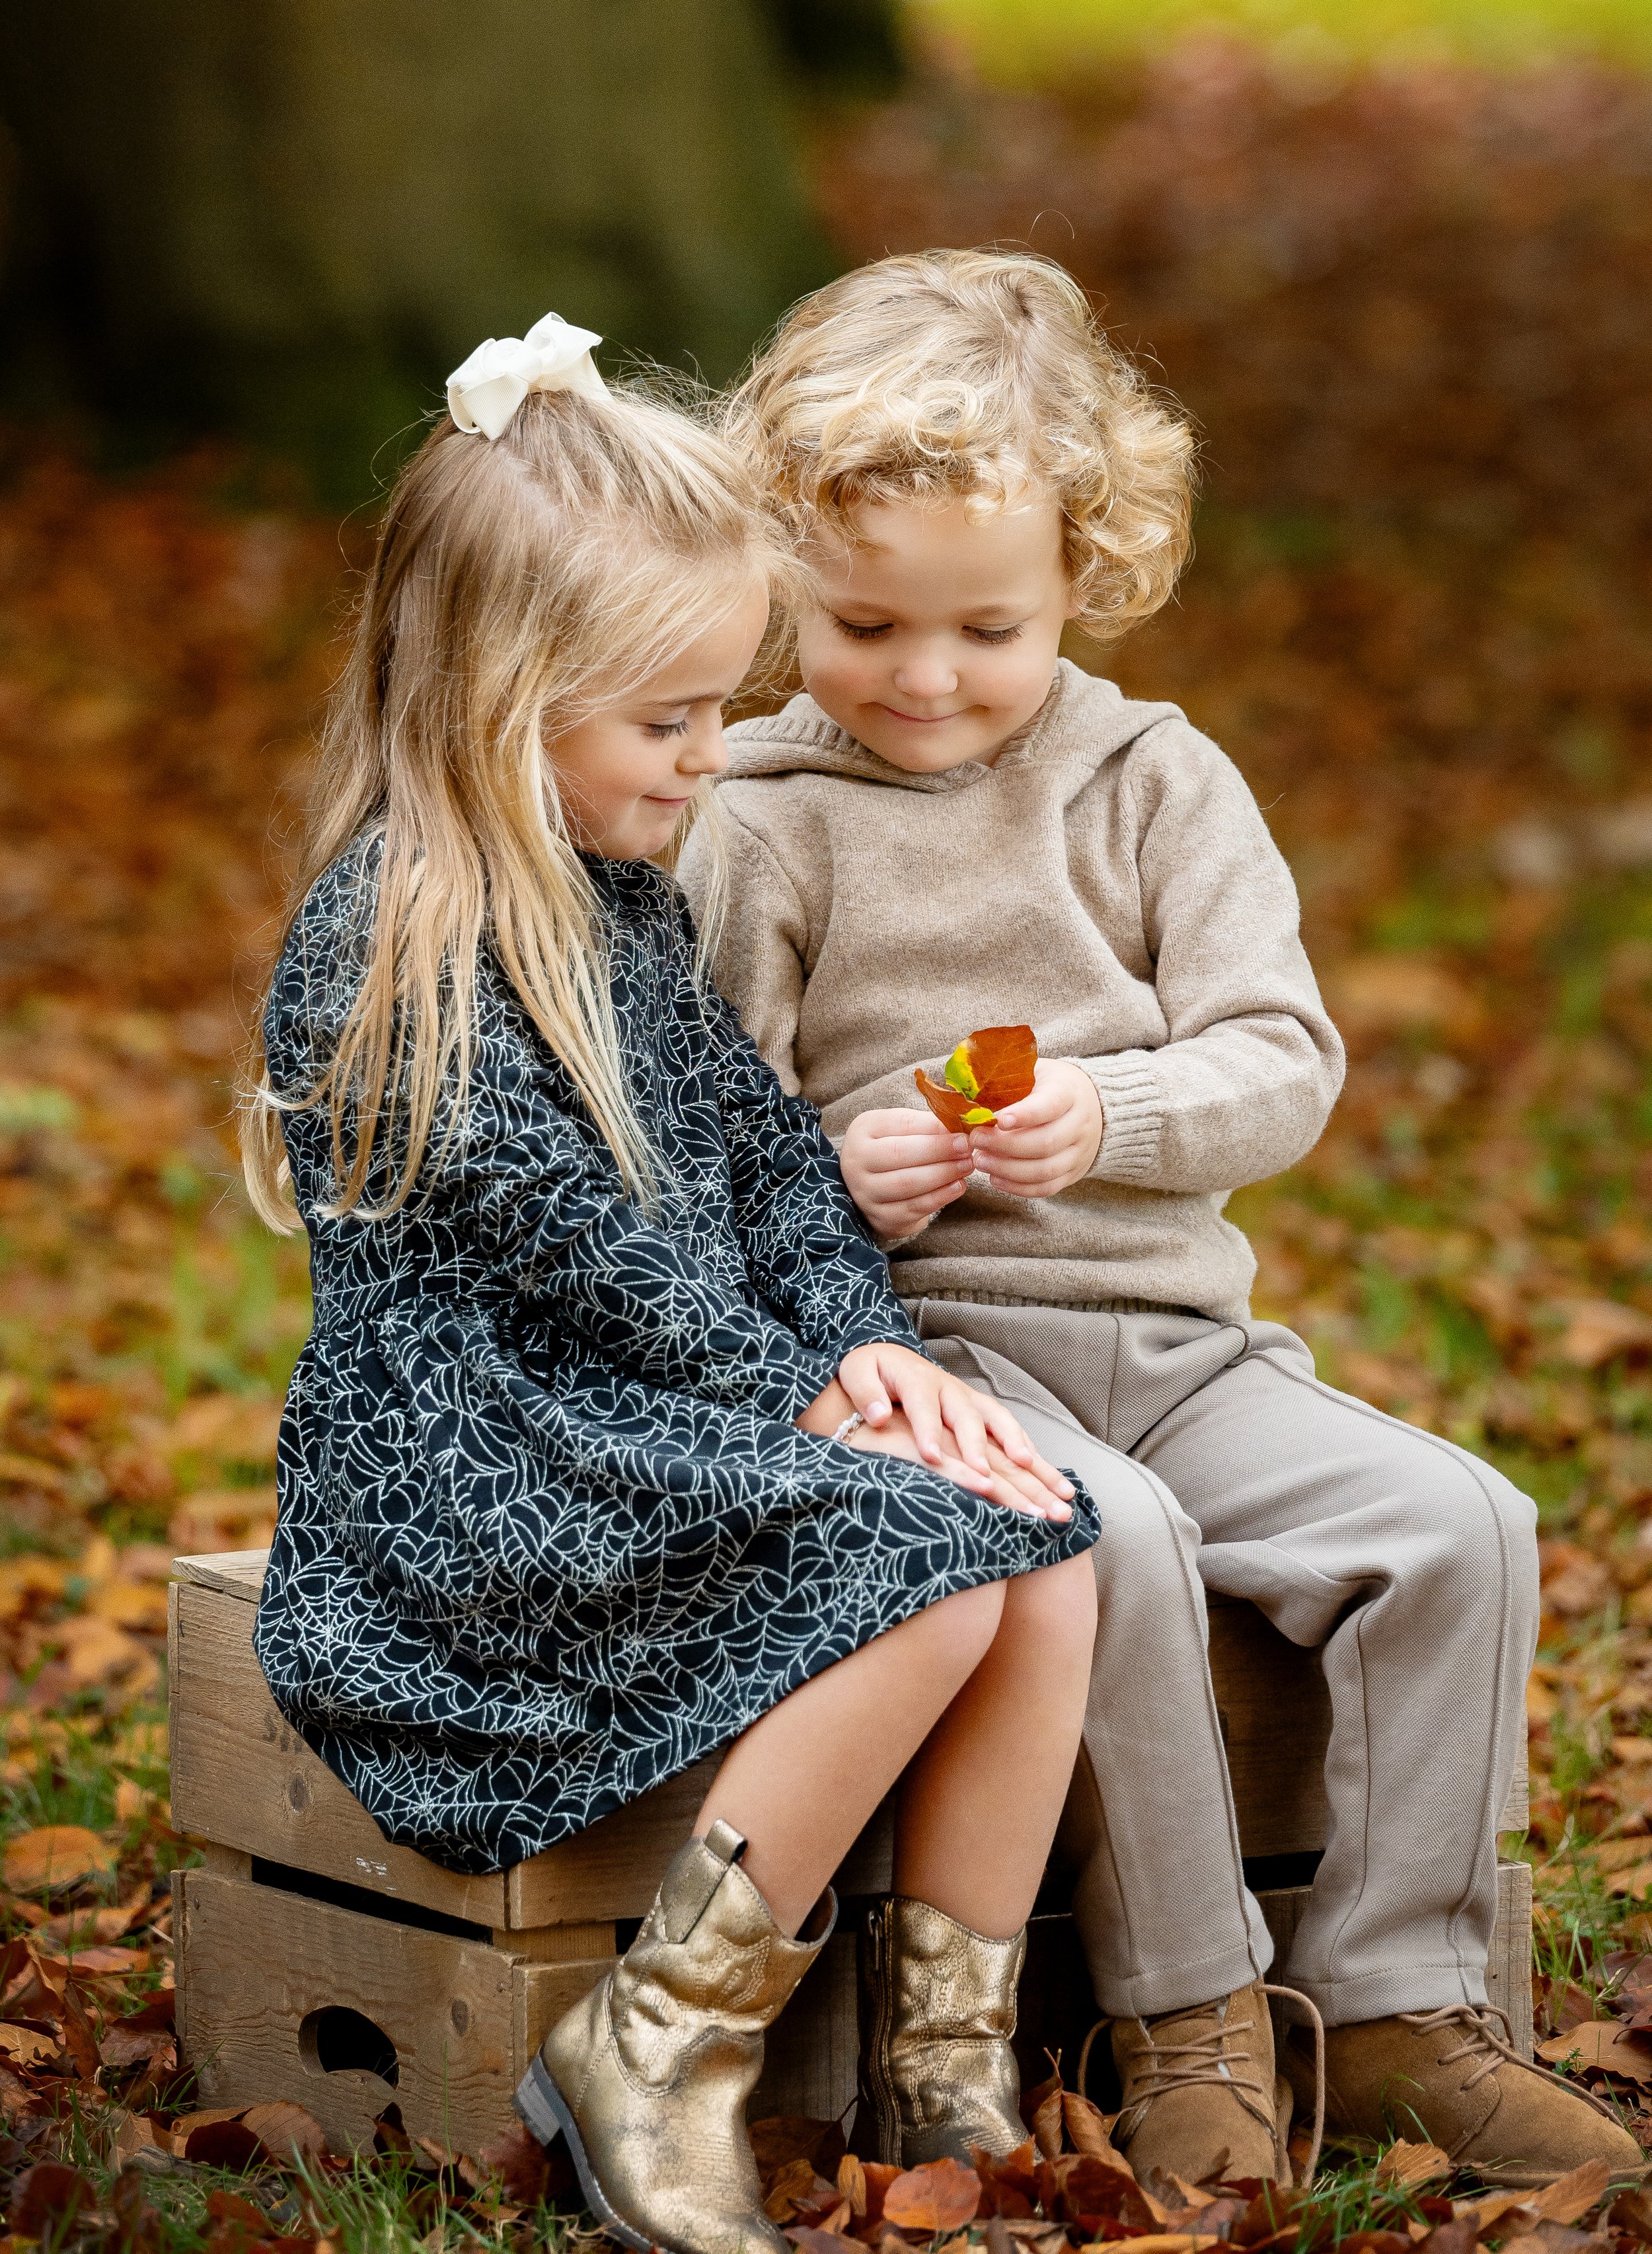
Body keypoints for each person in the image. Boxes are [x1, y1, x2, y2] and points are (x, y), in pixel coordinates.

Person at [678, 250, 1641, 2189]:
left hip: (1177, 1343)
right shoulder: (760, 818)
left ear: (1084, 574)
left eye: (986, 627)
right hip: (928, 1363)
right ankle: (1187, 2009)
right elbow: (702, 1143)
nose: (924, 678)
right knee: (1101, 1531)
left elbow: (1282, 1059)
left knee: (1456, 1517)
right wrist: (832, 1170)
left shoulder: (1150, 781)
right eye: (863, 622)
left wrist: (1101, 1109)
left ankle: (1388, 2006)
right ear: (777, 573)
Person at [241, 313, 1102, 2254]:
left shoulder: (621, 899)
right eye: (673, 719)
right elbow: (583, 1245)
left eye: (723, 706)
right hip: (489, 1477)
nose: (717, 758)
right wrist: (794, 1393)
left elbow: (768, 1166)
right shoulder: (398, 929)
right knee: (926, 1563)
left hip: (652, 1417)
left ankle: (934, 2073)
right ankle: (658, 2038)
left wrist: (866, 1349)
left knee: (1040, 1533)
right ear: (497, 694)